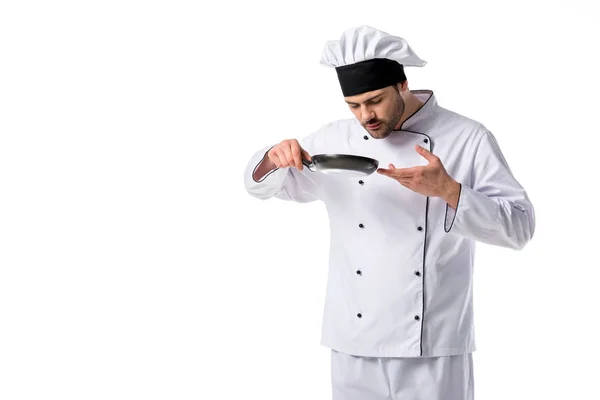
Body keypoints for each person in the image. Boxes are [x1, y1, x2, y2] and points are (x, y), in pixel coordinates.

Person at [243, 25, 535, 400]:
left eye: (375, 101)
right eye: (354, 105)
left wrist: (449, 190)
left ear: (402, 85)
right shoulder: (334, 140)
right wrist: (272, 158)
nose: (366, 116)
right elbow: (259, 185)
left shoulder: (467, 137)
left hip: (431, 344)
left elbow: (520, 227)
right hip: (351, 342)